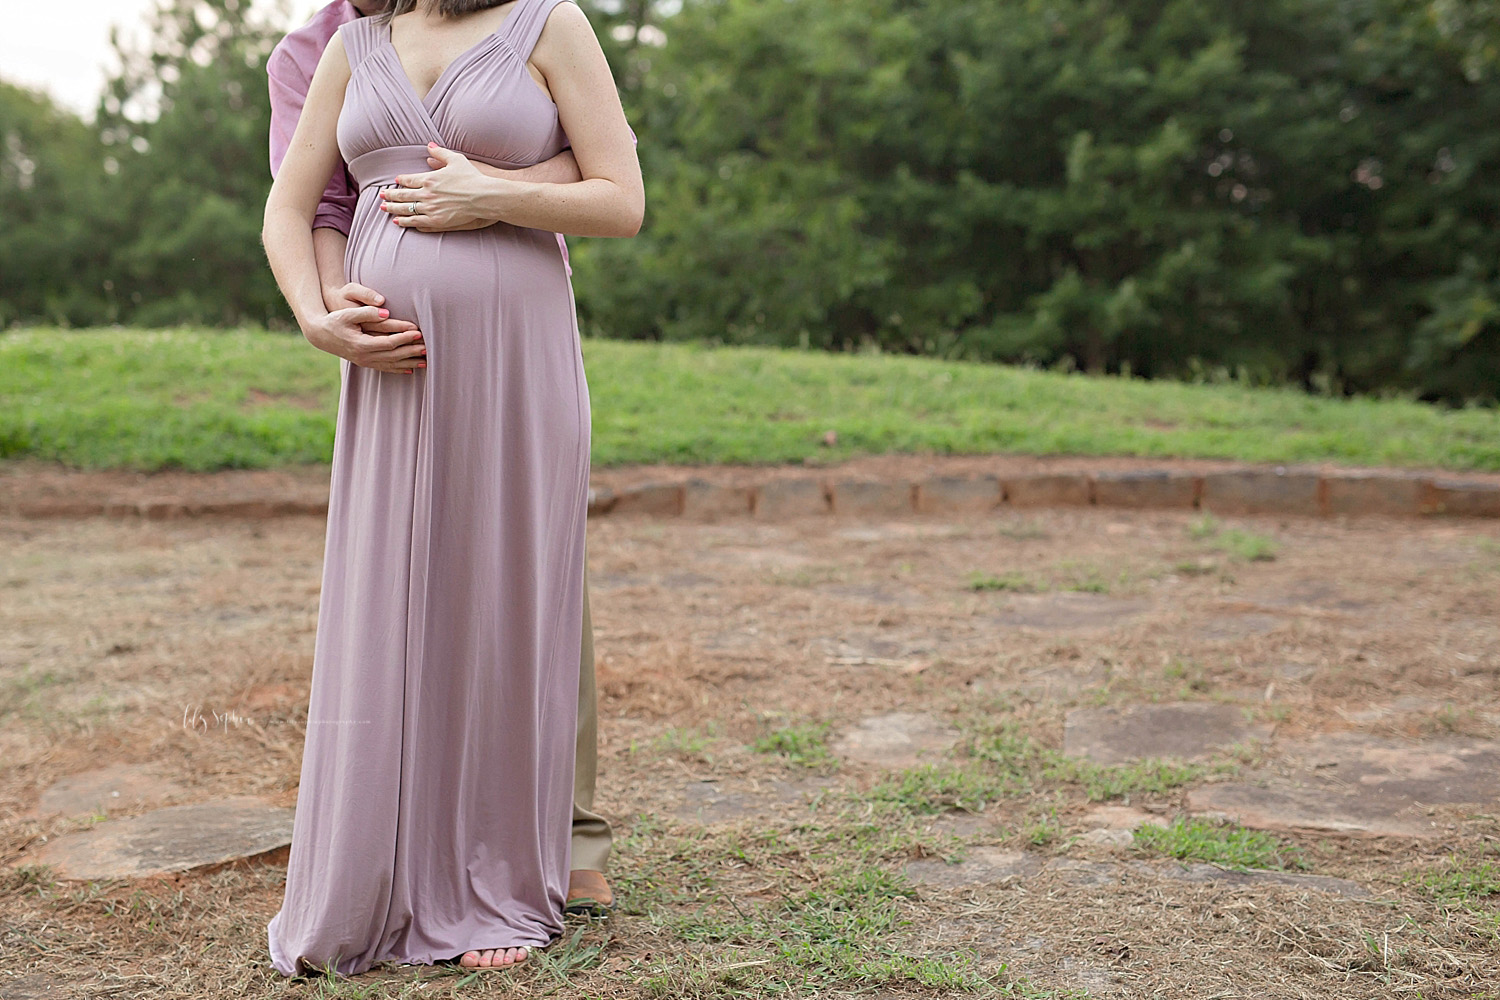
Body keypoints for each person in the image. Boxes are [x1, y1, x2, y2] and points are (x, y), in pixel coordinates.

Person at [260, 0, 642, 977]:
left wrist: (496, 196)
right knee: (391, 606)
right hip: (392, 373)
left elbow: (621, 198)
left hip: (514, 361)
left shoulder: (552, 24)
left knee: (501, 604)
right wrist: (316, 314)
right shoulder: (342, 47)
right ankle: (379, 867)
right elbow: (295, 207)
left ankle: (497, 878)